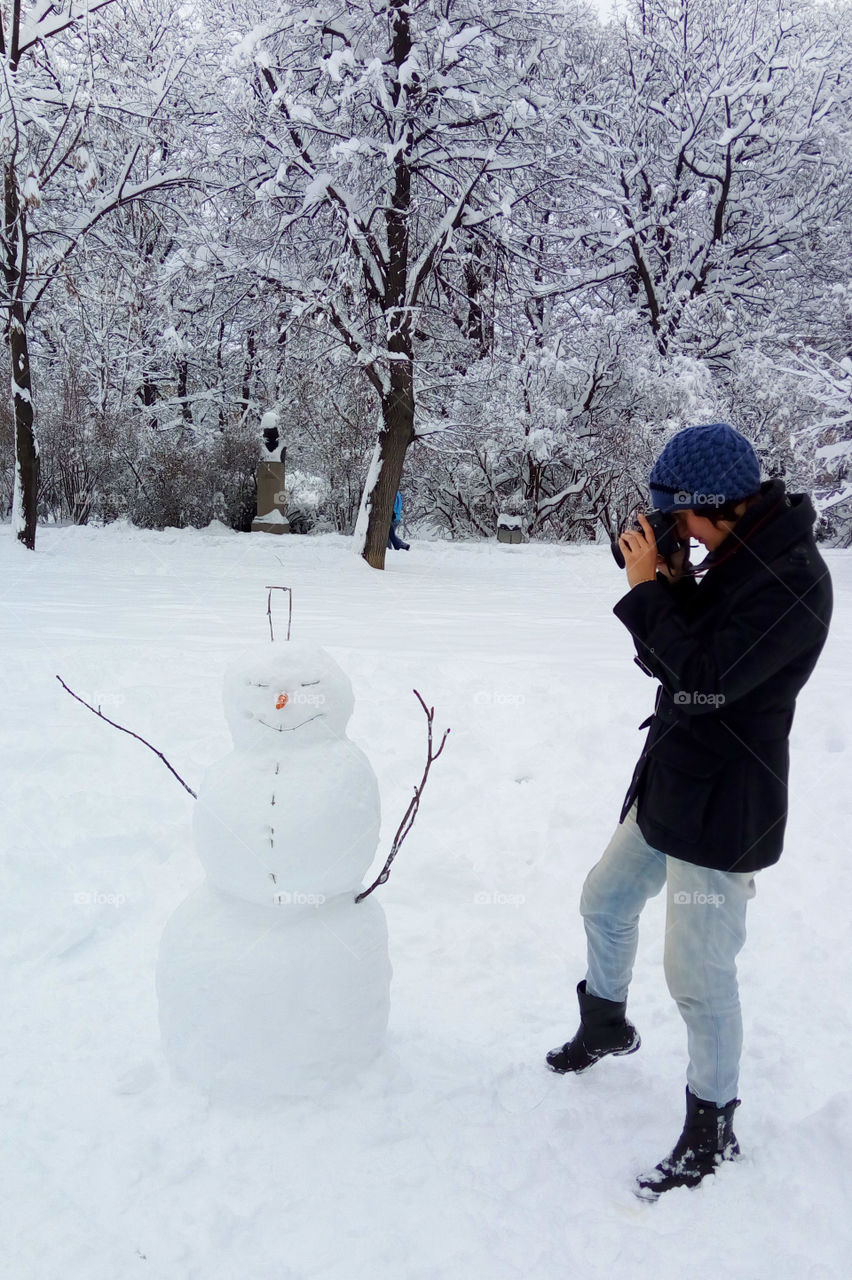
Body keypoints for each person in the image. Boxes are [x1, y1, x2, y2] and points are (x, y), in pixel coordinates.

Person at [546, 422, 833, 1199]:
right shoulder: (739, 554)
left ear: (721, 506)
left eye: (681, 518)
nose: (679, 531)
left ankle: (712, 1130)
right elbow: (674, 665)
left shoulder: (791, 579)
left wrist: (648, 592)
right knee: (603, 902)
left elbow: (704, 679)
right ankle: (605, 1023)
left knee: (698, 976)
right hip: (674, 781)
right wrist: (668, 583)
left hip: (725, 809)